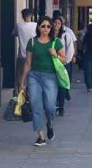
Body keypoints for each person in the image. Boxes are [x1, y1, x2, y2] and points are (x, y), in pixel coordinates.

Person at [20, 16, 66, 146]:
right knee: (36, 106)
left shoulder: (56, 42)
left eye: (48, 26)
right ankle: (41, 136)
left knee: (50, 106)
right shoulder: (32, 42)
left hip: (50, 76)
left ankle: (50, 124)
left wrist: (55, 54)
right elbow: (28, 63)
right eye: (43, 26)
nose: (46, 28)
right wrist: (22, 81)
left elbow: (64, 58)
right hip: (34, 76)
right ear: (38, 27)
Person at [53, 15, 77, 116]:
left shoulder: (66, 35)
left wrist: (65, 60)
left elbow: (70, 49)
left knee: (61, 85)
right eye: (55, 23)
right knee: (52, 85)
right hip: (51, 65)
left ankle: (60, 106)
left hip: (63, 64)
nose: (56, 25)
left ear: (61, 25)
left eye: (59, 23)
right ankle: (52, 104)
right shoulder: (48, 35)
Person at [12, 9, 36, 93]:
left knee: (21, 77)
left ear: (22, 16)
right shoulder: (36, 26)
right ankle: (31, 96)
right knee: (32, 78)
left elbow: (14, 34)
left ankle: (21, 97)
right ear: (31, 16)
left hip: (22, 55)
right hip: (34, 56)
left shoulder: (19, 26)